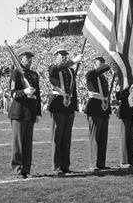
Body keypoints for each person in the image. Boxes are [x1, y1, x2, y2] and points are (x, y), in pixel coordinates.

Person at [48, 45, 83, 176]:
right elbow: (55, 71)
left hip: (68, 107)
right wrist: (73, 61)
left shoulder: (70, 71)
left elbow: (73, 89)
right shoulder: (53, 67)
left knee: (66, 138)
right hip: (58, 104)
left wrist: (74, 106)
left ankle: (65, 165)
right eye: (60, 54)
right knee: (57, 137)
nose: (63, 56)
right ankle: (56, 166)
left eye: (65, 54)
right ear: (55, 56)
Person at [8, 46, 41, 179]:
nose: (29, 60)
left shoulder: (34, 74)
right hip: (19, 112)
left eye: (30, 58)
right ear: (20, 58)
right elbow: (13, 93)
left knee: (27, 144)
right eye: (26, 57)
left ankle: (26, 169)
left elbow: (37, 95)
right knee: (18, 143)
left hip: (30, 113)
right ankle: (17, 168)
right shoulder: (16, 73)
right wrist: (24, 92)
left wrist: (38, 113)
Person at [84, 55, 112, 171]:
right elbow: (94, 74)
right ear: (94, 64)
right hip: (94, 107)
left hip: (104, 108)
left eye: (104, 63)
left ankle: (101, 162)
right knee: (94, 137)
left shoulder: (104, 78)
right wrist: (109, 65)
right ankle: (93, 163)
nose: (103, 65)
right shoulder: (90, 74)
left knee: (103, 138)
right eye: (100, 63)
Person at [116, 78, 133, 168]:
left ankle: (131, 160)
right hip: (125, 112)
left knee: (132, 139)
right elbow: (118, 96)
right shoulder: (122, 80)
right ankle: (123, 161)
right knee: (124, 138)